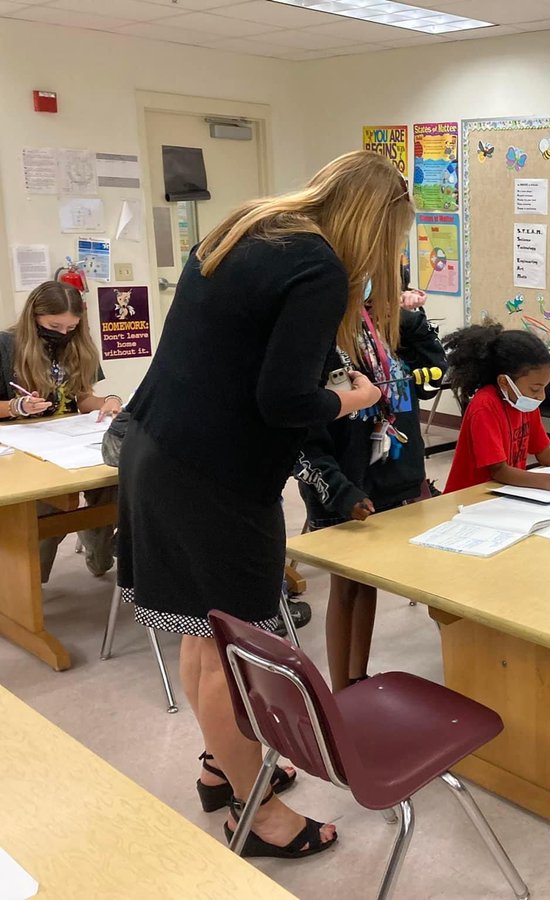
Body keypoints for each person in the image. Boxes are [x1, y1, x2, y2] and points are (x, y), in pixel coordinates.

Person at [117, 150, 401, 859]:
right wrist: (351, 396)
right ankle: (257, 814)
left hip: (158, 450)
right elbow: (283, 402)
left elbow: (239, 359)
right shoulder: (320, 268)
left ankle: (222, 765)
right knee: (230, 650)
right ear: (374, 226)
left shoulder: (248, 229)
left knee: (200, 633)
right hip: (216, 479)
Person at [294, 274, 447, 691]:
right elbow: (299, 438)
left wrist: (406, 318)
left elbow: (434, 371)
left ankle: (359, 677)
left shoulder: (383, 331)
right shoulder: (314, 338)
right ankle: (343, 690)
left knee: (370, 584)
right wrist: (342, 492)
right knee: (347, 587)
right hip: (344, 485)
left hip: (397, 475)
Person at [1, 280, 120, 579]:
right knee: (44, 508)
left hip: (68, 440)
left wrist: (109, 401)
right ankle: (29, 588)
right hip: (22, 446)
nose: (62, 334)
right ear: (34, 317)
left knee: (111, 483)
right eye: (55, 326)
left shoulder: (78, 345)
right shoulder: (6, 346)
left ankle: (100, 555)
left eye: (71, 328)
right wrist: (17, 407)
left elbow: (83, 399)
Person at [441, 323, 550, 494]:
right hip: (470, 497)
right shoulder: (484, 406)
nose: (541, 396)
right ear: (504, 382)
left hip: (503, 494)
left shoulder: (523, 401)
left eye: (544, 388)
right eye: (535, 388)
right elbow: (499, 471)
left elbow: (544, 452)